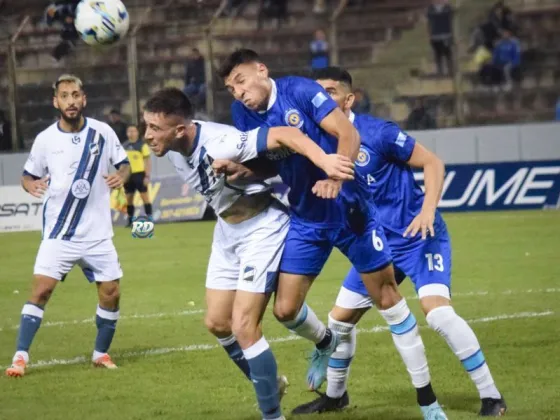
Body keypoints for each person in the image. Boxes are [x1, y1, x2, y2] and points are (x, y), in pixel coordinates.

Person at [218, 49, 447, 420]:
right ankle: (326, 342)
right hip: (307, 218)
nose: (238, 92)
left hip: (349, 212)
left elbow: (348, 132)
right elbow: (271, 158)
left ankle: (428, 401)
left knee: (388, 300)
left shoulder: (301, 91)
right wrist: (242, 170)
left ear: (262, 70)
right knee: (286, 310)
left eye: (241, 81)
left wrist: (335, 178)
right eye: (230, 88)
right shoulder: (240, 114)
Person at [291, 67, 507, 417]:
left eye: (329, 92)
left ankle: (491, 396)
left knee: (439, 315)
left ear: (349, 99)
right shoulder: (319, 143)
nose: (320, 99)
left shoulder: (378, 132)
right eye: (316, 93)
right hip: (376, 245)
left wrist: (427, 210)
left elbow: (432, 162)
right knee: (339, 322)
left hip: (418, 236)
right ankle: (335, 396)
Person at [142, 87, 354, 420]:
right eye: (147, 126)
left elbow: (285, 134)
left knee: (244, 325)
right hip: (227, 233)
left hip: (262, 228)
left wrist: (326, 161)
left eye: (154, 128)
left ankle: (272, 414)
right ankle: (272, 382)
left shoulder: (221, 142)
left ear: (180, 129)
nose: (147, 136)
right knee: (216, 323)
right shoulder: (170, 150)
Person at [5, 74, 131, 378]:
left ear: (84, 99)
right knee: (41, 290)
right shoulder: (46, 139)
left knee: (111, 293)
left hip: (98, 233)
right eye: (65, 96)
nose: (71, 101)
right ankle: (20, 357)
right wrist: (29, 185)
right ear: (56, 102)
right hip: (59, 232)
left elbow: (124, 163)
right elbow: (27, 175)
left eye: (76, 95)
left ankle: (101, 354)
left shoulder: (102, 132)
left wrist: (121, 177)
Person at [122, 124, 152, 227]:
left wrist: (147, 176)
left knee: (145, 197)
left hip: (139, 174)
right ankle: (130, 221)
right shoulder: (124, 146)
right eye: (129, 131)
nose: (131, 133)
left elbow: (147, 161)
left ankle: (149, 219)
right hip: (128, 175)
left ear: (137, 132)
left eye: (133, 131)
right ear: (127, 133)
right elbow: (122, 163)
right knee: (129, 198)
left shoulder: (142, 145)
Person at [426, 0, 454, 77]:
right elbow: (429, 23)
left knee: (448, 53)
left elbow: (452, 19)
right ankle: (440, 71)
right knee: (438, 54)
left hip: (446, 34)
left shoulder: (448, 8)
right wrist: (429, 35)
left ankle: (450, 70)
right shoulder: (430, 9)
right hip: (435, 36)